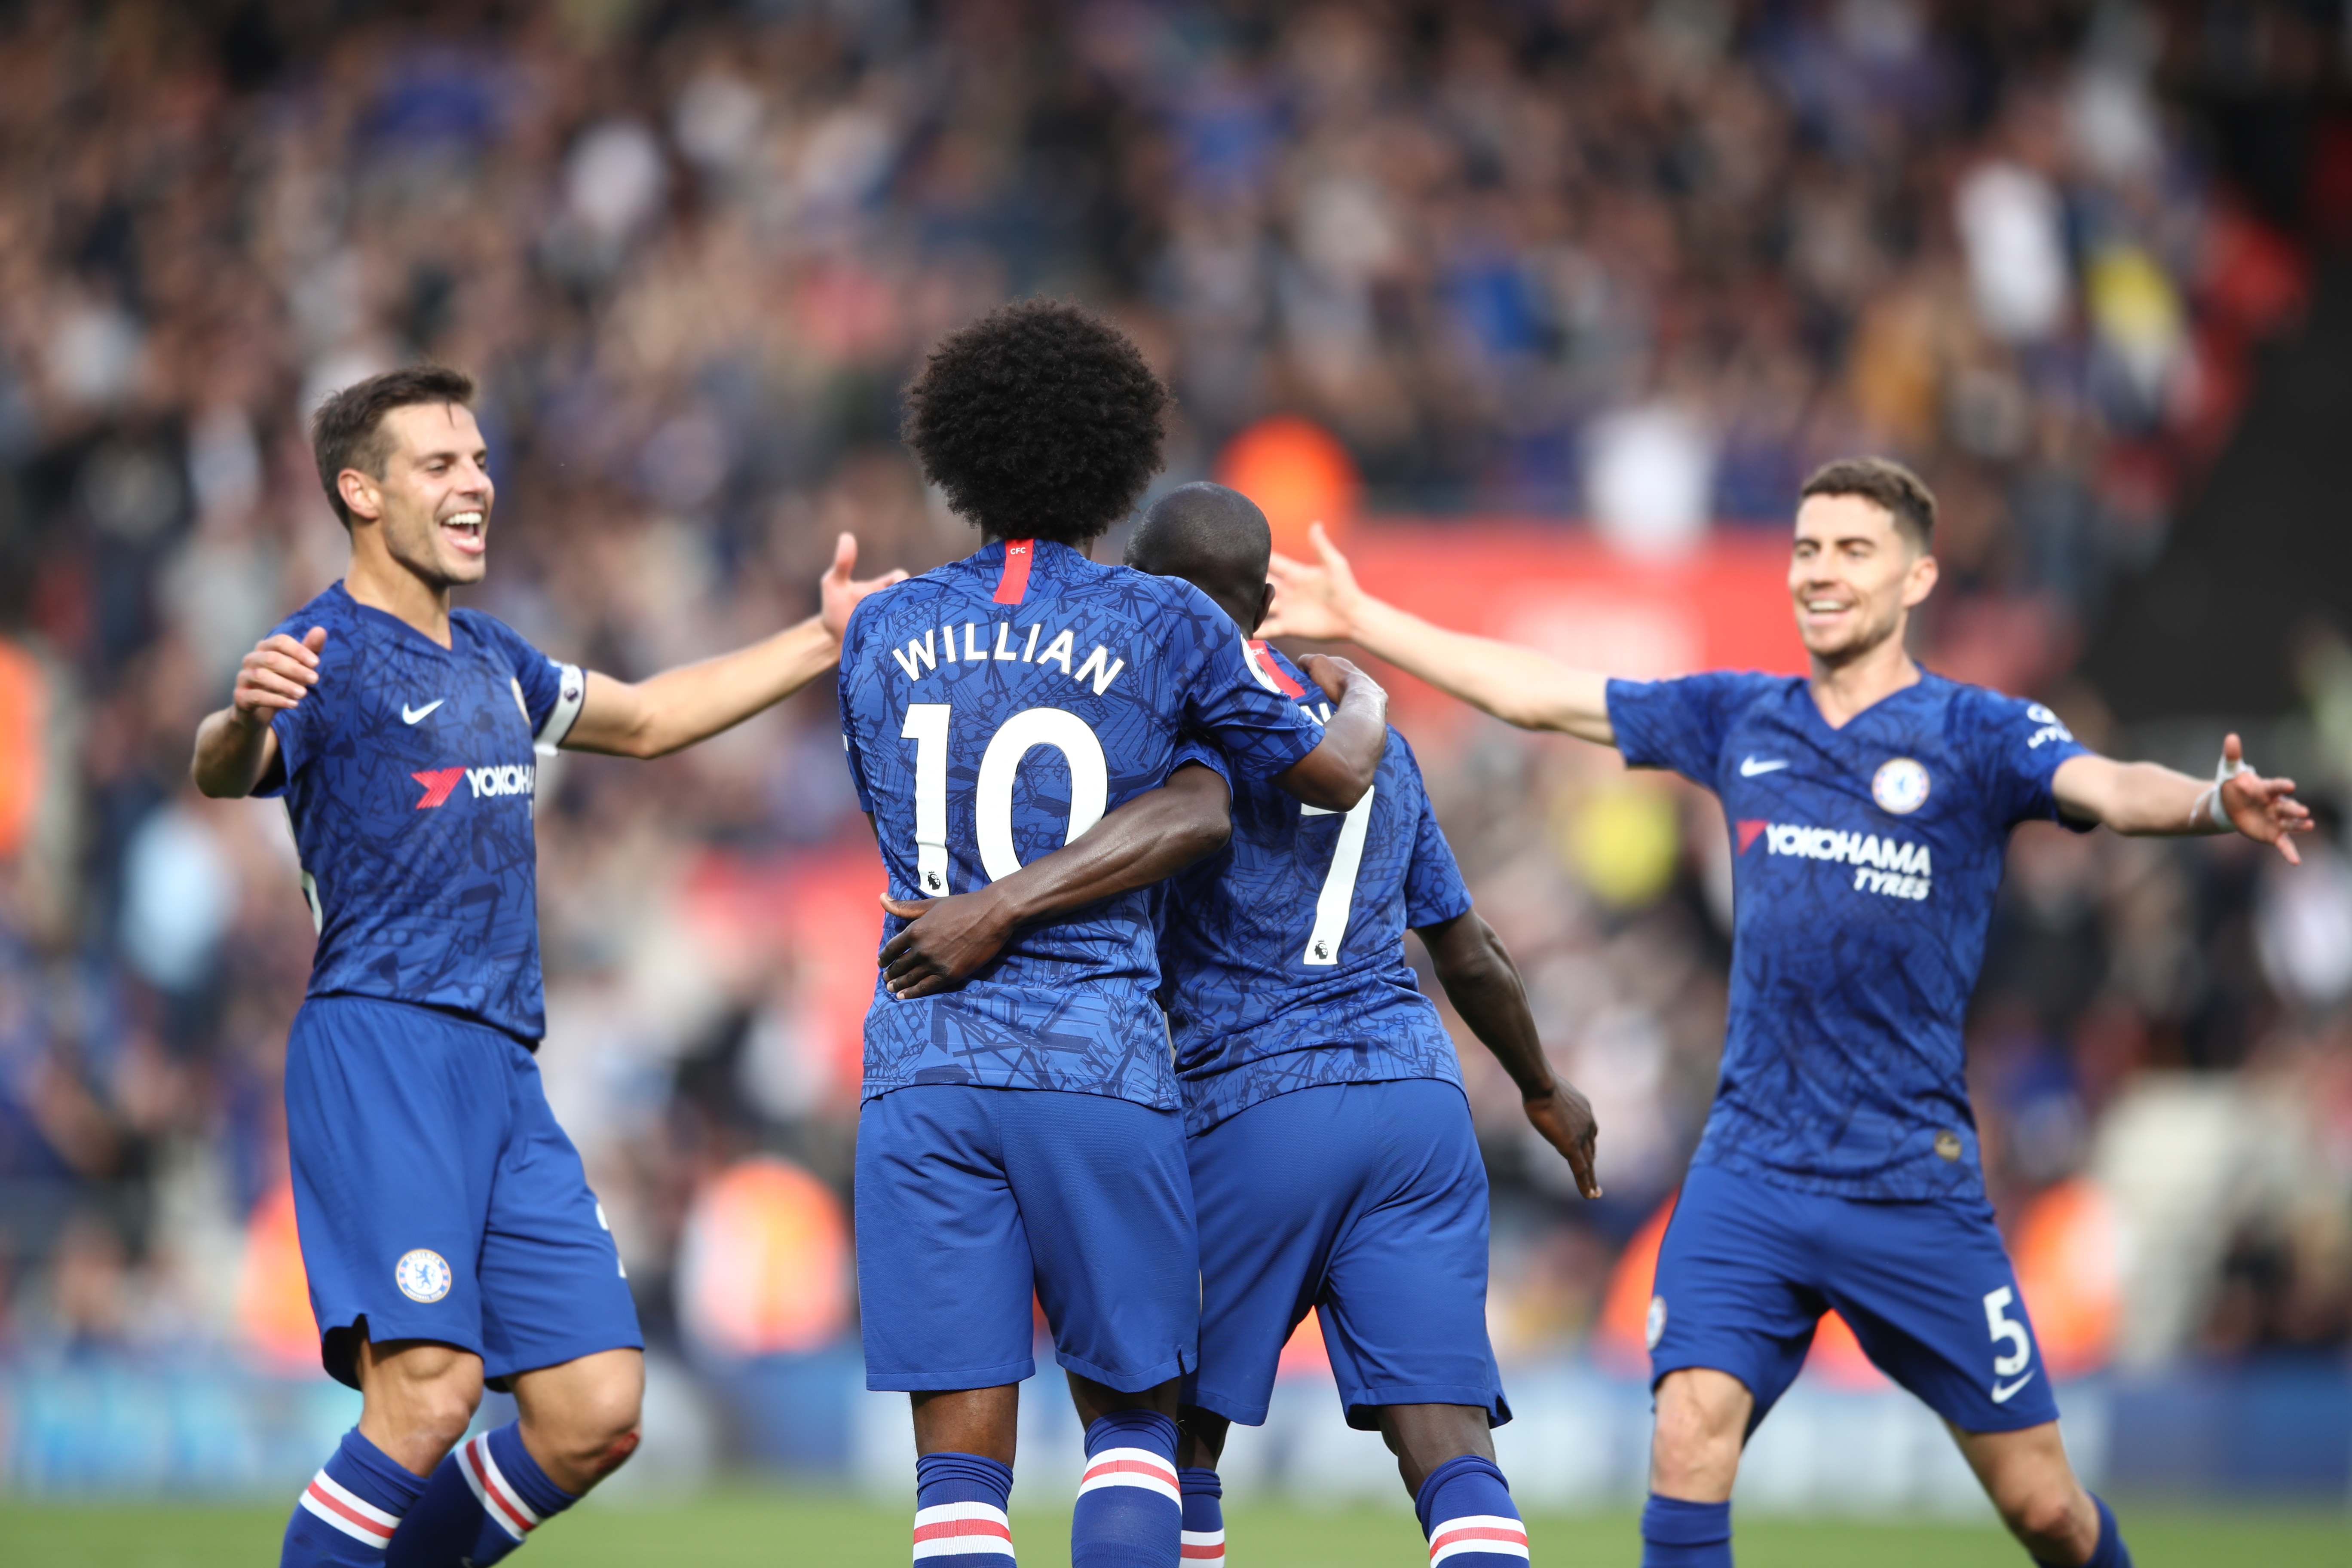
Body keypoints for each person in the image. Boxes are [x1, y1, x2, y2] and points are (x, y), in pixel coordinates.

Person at [1258, 456, 2313, 1568]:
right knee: (1688, 1446)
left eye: (1854, 550)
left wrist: (2206, 802)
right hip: (1751, 1174)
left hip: (1912, 1182)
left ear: (1918, 577)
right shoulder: (1741, 716)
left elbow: (2107, 787)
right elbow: (1541, 693)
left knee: (2046, 1509)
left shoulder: (1980, 734)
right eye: (1808, 548)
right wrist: (1365, 619)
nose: (1821, 571)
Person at [190, 364, 902, 1568]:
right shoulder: (322, 651)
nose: (477, 483)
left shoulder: (492, 659)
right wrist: (243, 716)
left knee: (592, 1415)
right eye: (441, 465)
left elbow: (653, 720)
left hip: (507, 1071)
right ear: (360, 493)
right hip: (387, 1049)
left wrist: (818, 639)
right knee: (427, 1398)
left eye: (478, 460)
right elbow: (223, 763)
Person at [877, 480, 1603, 1568]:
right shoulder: (1372, 739)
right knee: (1450, 1450)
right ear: (1264, 600)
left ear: (1135, 592)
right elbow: (1470, 948)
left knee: (1161, 1435)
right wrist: (1544, 1087)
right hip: (1417, 1108)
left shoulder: (1165, 724)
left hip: (1253, 1107)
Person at [837, 303, 1389, 1568]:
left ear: (959, 455)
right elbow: (1334, 773)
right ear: (1116, 459)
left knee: (958, 1484)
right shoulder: (1167, 621)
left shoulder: (882, 628)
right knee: (1135, 1433)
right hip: (1097, 1061)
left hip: (922, 1064)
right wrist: (1361, 685)